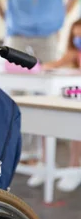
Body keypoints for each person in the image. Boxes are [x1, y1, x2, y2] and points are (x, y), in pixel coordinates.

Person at [35, 18, 81, 191]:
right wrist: (38, 67)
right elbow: (54, 64)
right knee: (47, 118)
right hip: (74, 94)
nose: (78, 39)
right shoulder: (73, 53)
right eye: (76, 36)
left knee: (77, 126)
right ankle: (46, 162)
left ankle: (74, 166)